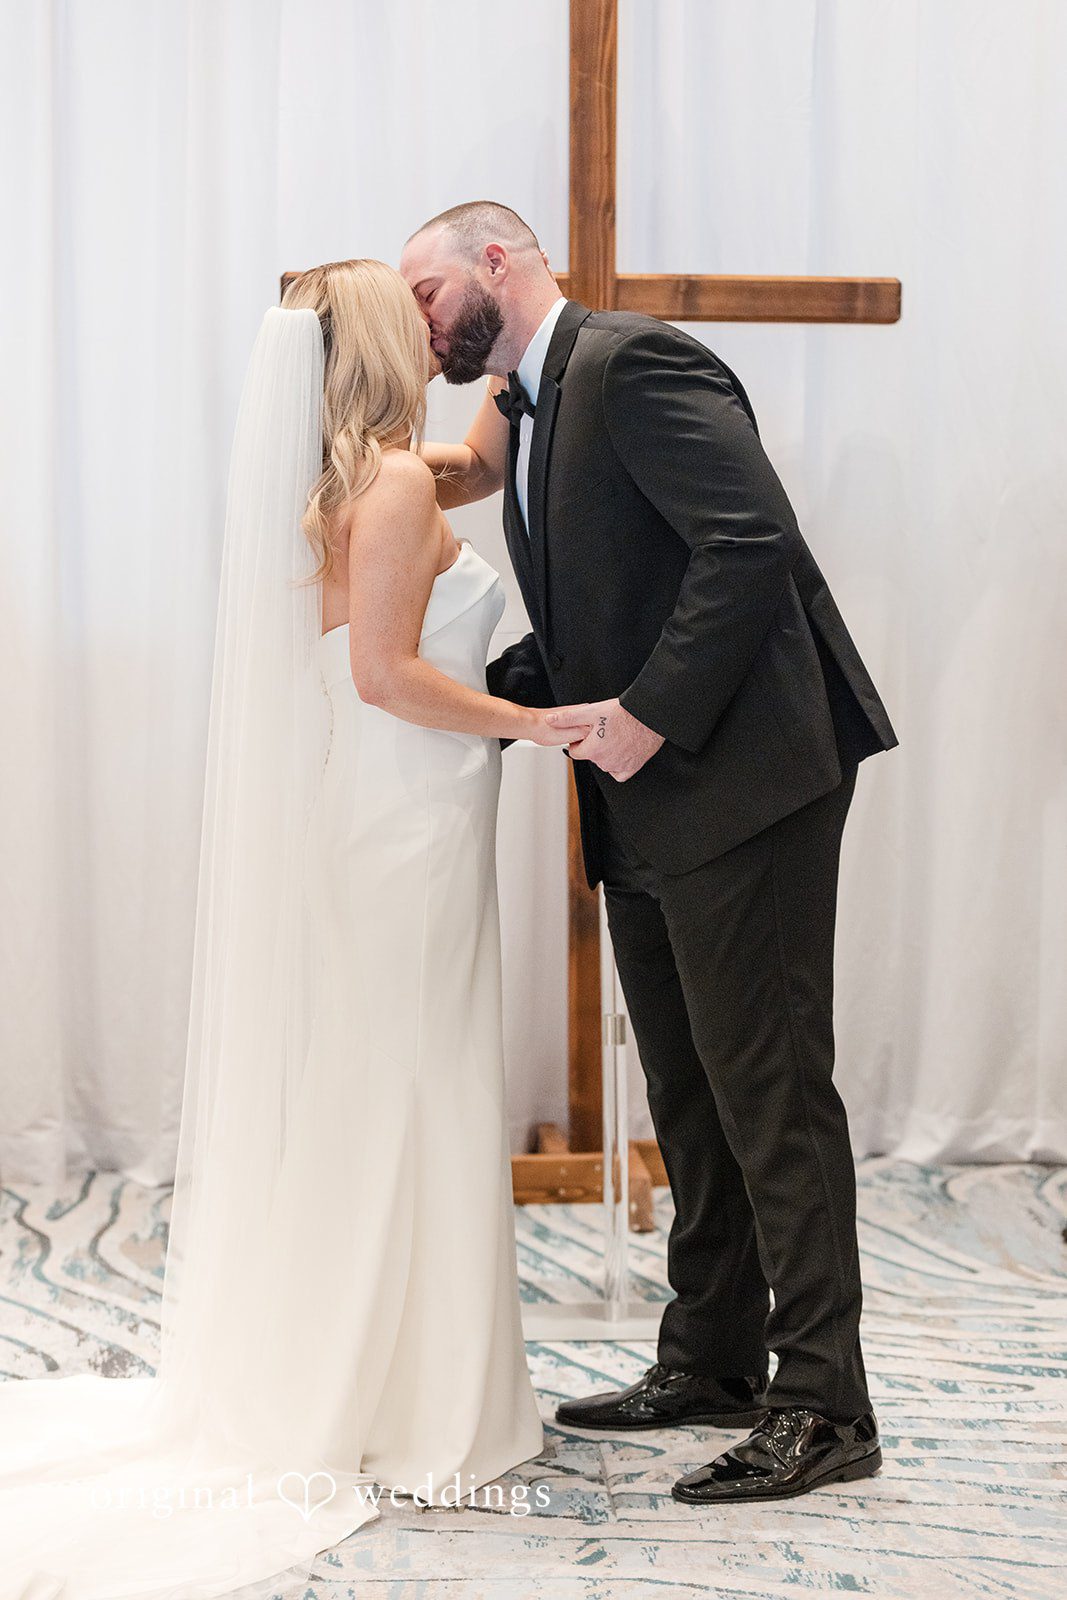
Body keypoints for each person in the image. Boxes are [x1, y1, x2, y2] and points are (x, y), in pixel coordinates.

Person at [0, 259, 586, 1597]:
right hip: (401, 823)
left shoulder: (357, 477)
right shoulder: (383, 489)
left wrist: (524, 319)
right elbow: (387, 677)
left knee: (387, 1086)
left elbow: (484, 458)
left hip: (381, 822)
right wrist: (535, 721)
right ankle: (407, 1399)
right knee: (409, 1087)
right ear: (383, 338)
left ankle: (385, 1368)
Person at [400, 201, 900, 1505]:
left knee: (774, 1096)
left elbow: (749, 546)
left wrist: (649, 713)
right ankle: (713, 1357)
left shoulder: (633, 362)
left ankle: (825, 1406)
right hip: (643, 800)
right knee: (692, 1095)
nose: (418, 321)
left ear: (495, 262)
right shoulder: (534, 402)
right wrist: (488, 697)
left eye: (424, 289)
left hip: (745, 779)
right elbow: (601, 596)